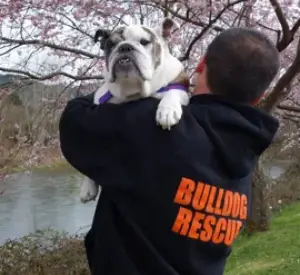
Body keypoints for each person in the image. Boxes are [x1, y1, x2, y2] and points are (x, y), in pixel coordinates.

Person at [59, 27, 280, 275]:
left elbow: (75, 120)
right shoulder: (247, 147)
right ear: (260, 96)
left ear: (200, 65)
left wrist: (125, 80)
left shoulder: (151, 127)